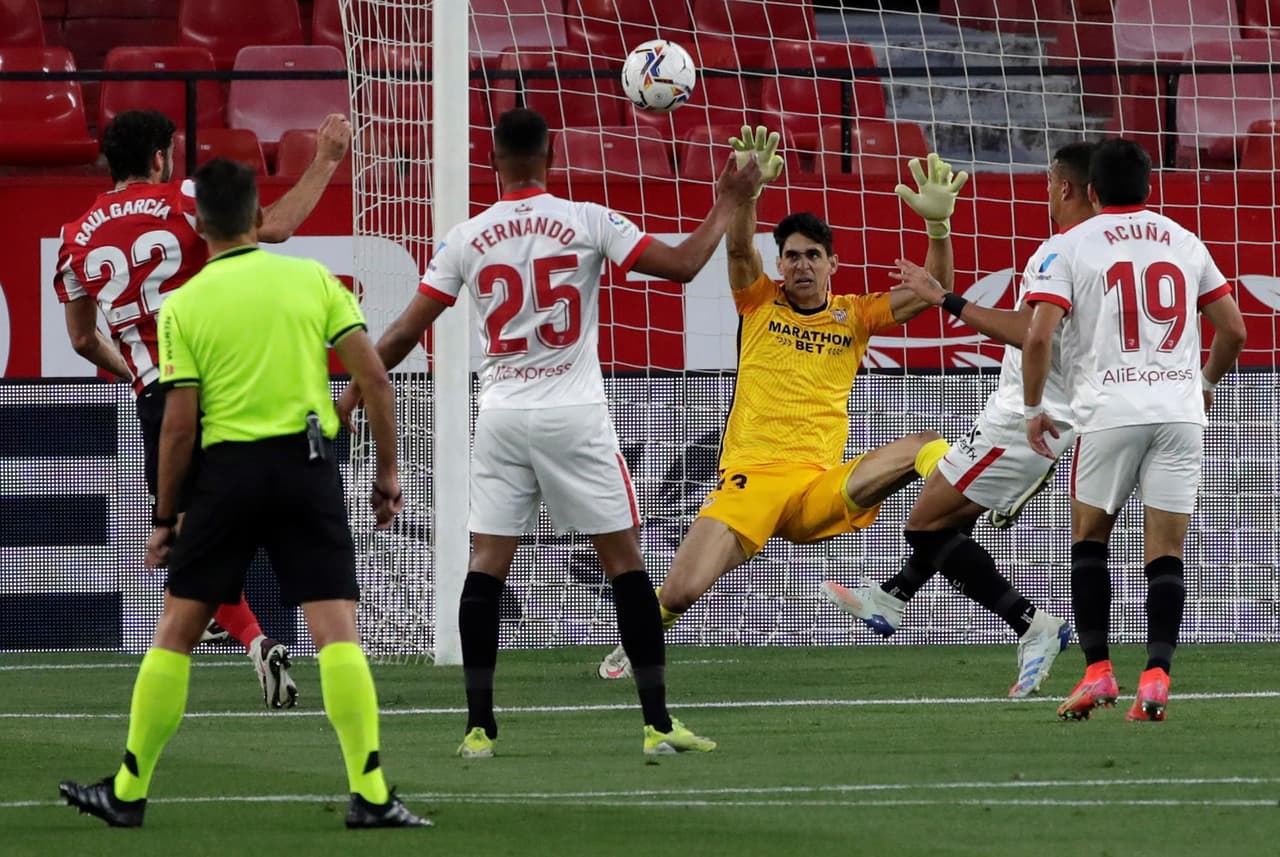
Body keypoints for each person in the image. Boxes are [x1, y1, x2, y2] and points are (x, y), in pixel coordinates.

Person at [337, 108, 762, 757]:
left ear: (493, 163)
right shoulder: (587, 218)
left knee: (486, 566)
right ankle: (657, 723)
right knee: (625, 565)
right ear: (551, 156)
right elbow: (681, 265)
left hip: (503, 417)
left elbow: (398, 336)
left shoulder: (468, 237)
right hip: (574, 415)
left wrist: (350, 395)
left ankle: (479, 727)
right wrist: (730, 201)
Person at [60, 159, 426, 828]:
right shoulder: (312, 278)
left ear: (199, 226)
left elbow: (178, 422)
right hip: (305, 467)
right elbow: (376, 378)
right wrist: (387, 473)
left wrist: (166, 515)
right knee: (336, 632)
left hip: (225, 477)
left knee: (176, 631)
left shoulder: (185, 305)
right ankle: (370, 793)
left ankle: (129, 790)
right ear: (261, 217)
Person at [597, 129, 964, 681]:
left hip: (818, 486)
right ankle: (641, 636)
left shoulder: (855, 315)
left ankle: (972, 498)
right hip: (752, 478)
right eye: (790, 256)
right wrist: (745, 194)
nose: (800, 266)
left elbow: (936, 290)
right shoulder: (759, 300)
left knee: (923, 447)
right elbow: (741, 248)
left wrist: (938, 227)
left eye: (812, 256)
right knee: (681, 589)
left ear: (832, 264)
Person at [53, 109, 353, 708]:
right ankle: (284, 640)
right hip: (225, 384)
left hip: (160, 398)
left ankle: (245, 639)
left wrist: (141, 372)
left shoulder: (75, 235)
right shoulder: (186, 198)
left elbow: (83, 340)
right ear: (161, 158)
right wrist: (325, 159)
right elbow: (282, 225)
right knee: (278, 525)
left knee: (191, 544)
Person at [821, 142, 1099, 698]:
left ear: (1065, 187)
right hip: (1053, 413)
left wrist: (944, 298)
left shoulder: (1062, 250)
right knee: (949, 518)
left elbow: (1028, 331)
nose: (1045, 192)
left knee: (925, 523)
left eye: (1048, 181)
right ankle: (893, 597)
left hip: (1027, 418)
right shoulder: (1111, 252)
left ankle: (1033, 626)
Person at [1022, 138, 1247, 721]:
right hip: (1179, 414)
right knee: (1166, 550)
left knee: (1089, 538)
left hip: (1109, 412)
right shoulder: (1184, 239)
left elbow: (1039, 335)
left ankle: (1098, 671)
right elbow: (1234, 331)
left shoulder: (1069, 245)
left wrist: (1031, 411)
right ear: (1148, 189)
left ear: (1091, 191)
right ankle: (1156, 678)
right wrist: (1202, 386)